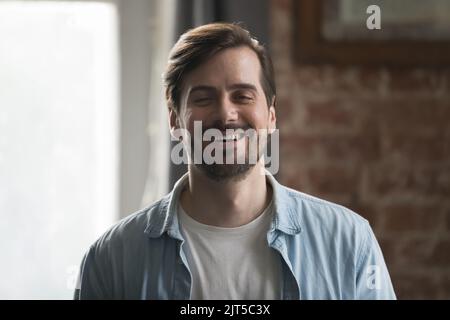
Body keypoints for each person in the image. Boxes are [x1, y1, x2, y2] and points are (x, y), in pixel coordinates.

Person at [75, 22, 396, 300]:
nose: (226, 115)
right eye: (203, 98)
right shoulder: (111, 259)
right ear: (174, 119)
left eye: (242, 96)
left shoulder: (349, 242)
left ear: (271, 115)